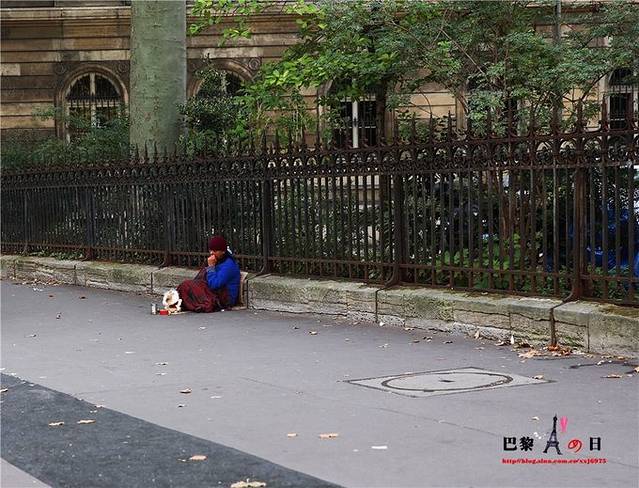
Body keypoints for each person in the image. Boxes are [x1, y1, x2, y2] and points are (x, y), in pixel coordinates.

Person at [176, 235, 241, 312]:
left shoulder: (229, 265)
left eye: (215, 251)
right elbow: (200, 278)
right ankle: (177, 303)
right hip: (212, 291)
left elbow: (214, 284)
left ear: (223, 251)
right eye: (211, 250)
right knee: (186, 286)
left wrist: (211, 267)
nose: (211, 253)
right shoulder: (217, 260)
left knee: (187, 286)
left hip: (225, 298)